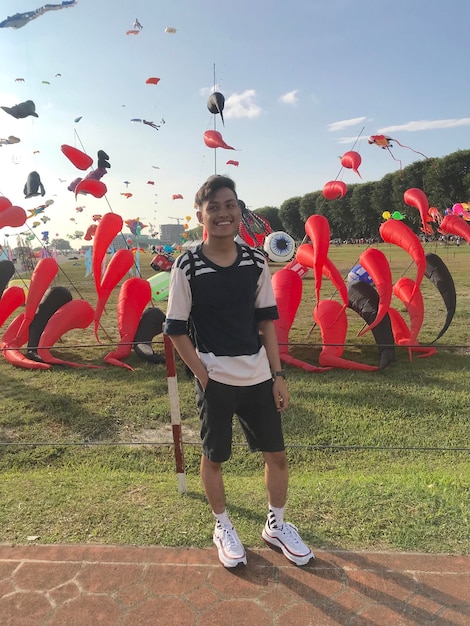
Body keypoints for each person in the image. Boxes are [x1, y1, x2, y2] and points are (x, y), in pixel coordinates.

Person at [163, 175, 313, 568]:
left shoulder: (254, 260)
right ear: (200, 216)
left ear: (239, 210)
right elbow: (176, 328)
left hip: (260, 377)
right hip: (216, 380)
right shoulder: (188, 264)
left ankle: (276, 525)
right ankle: (222, 526)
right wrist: (203, 375)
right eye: (213, 207)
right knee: (214, 458)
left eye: (229, 205)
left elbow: (267, 322)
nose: (223, 213)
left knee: (277, 456)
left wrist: (278, 376)